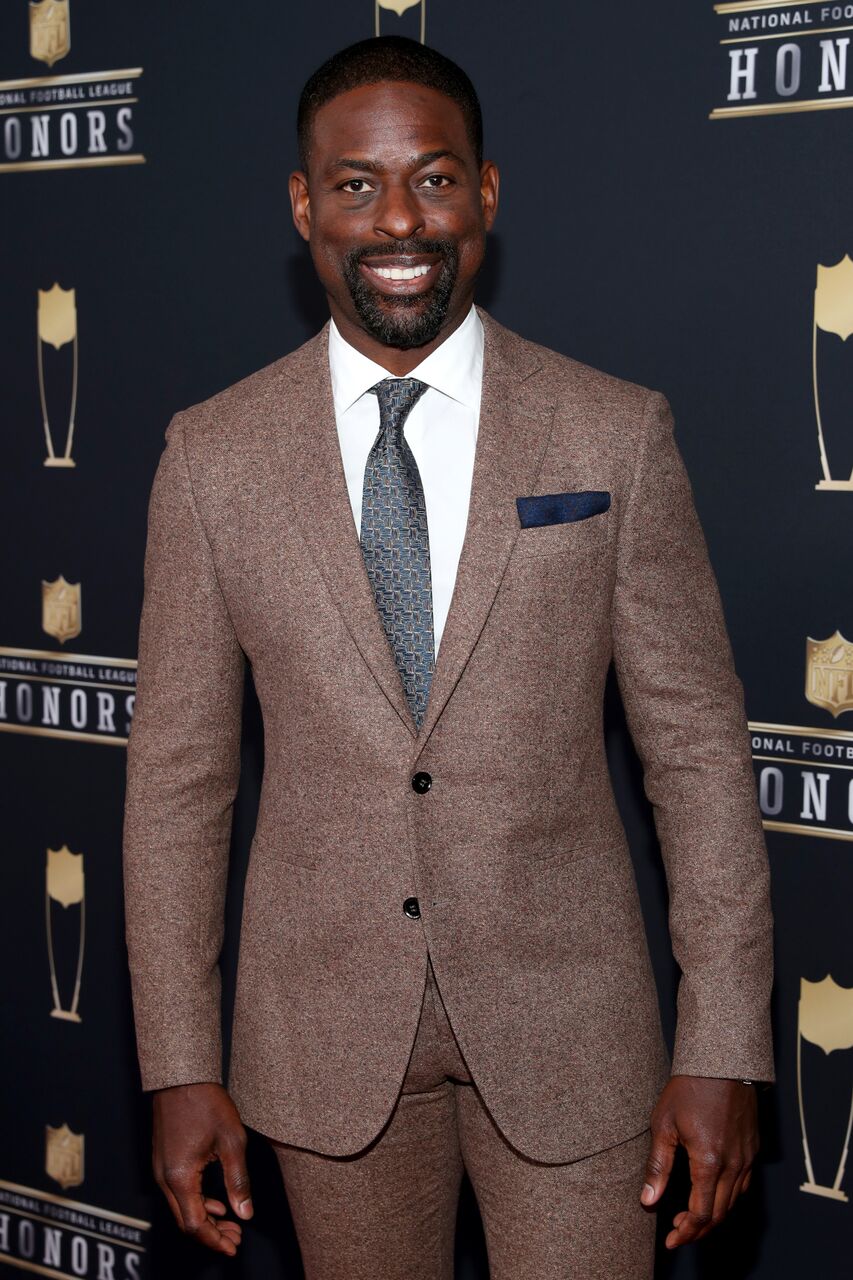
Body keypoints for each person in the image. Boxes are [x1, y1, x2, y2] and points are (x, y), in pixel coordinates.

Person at [122, 35, 774, 1280]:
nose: (398, 218)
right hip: (320, 1042)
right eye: (356, 185)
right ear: (304, 205)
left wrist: (724, 1041)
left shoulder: (613, 430)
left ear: (486, 193)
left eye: (432, 176)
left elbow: (695, 750)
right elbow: (177, 784)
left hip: (574, 1036)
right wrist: (179, 1063)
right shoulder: (210, 456)